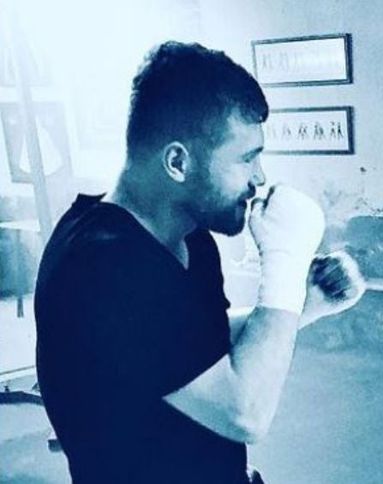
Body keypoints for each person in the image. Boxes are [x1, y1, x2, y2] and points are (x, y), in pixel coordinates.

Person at [34, 41, 365, 483]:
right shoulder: (101, 267)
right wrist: (284, 268)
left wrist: (307, 302)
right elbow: (245, 413)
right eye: (246, 158)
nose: (260, 177)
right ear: (177, 162)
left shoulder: (190, 237)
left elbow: (191, 343)